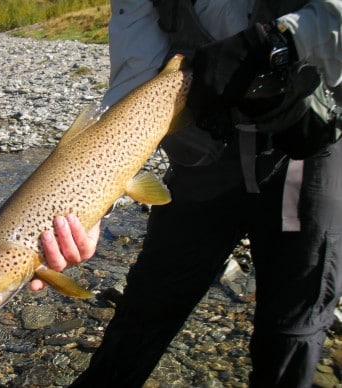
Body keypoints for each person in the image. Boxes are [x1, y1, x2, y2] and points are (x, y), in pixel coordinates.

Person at [31, 0, 342, 386]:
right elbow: (134, 81)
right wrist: (93, 202)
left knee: (293, 325)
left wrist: (280, 43)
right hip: (205, 153)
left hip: (303, 148)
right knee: (149, 301)